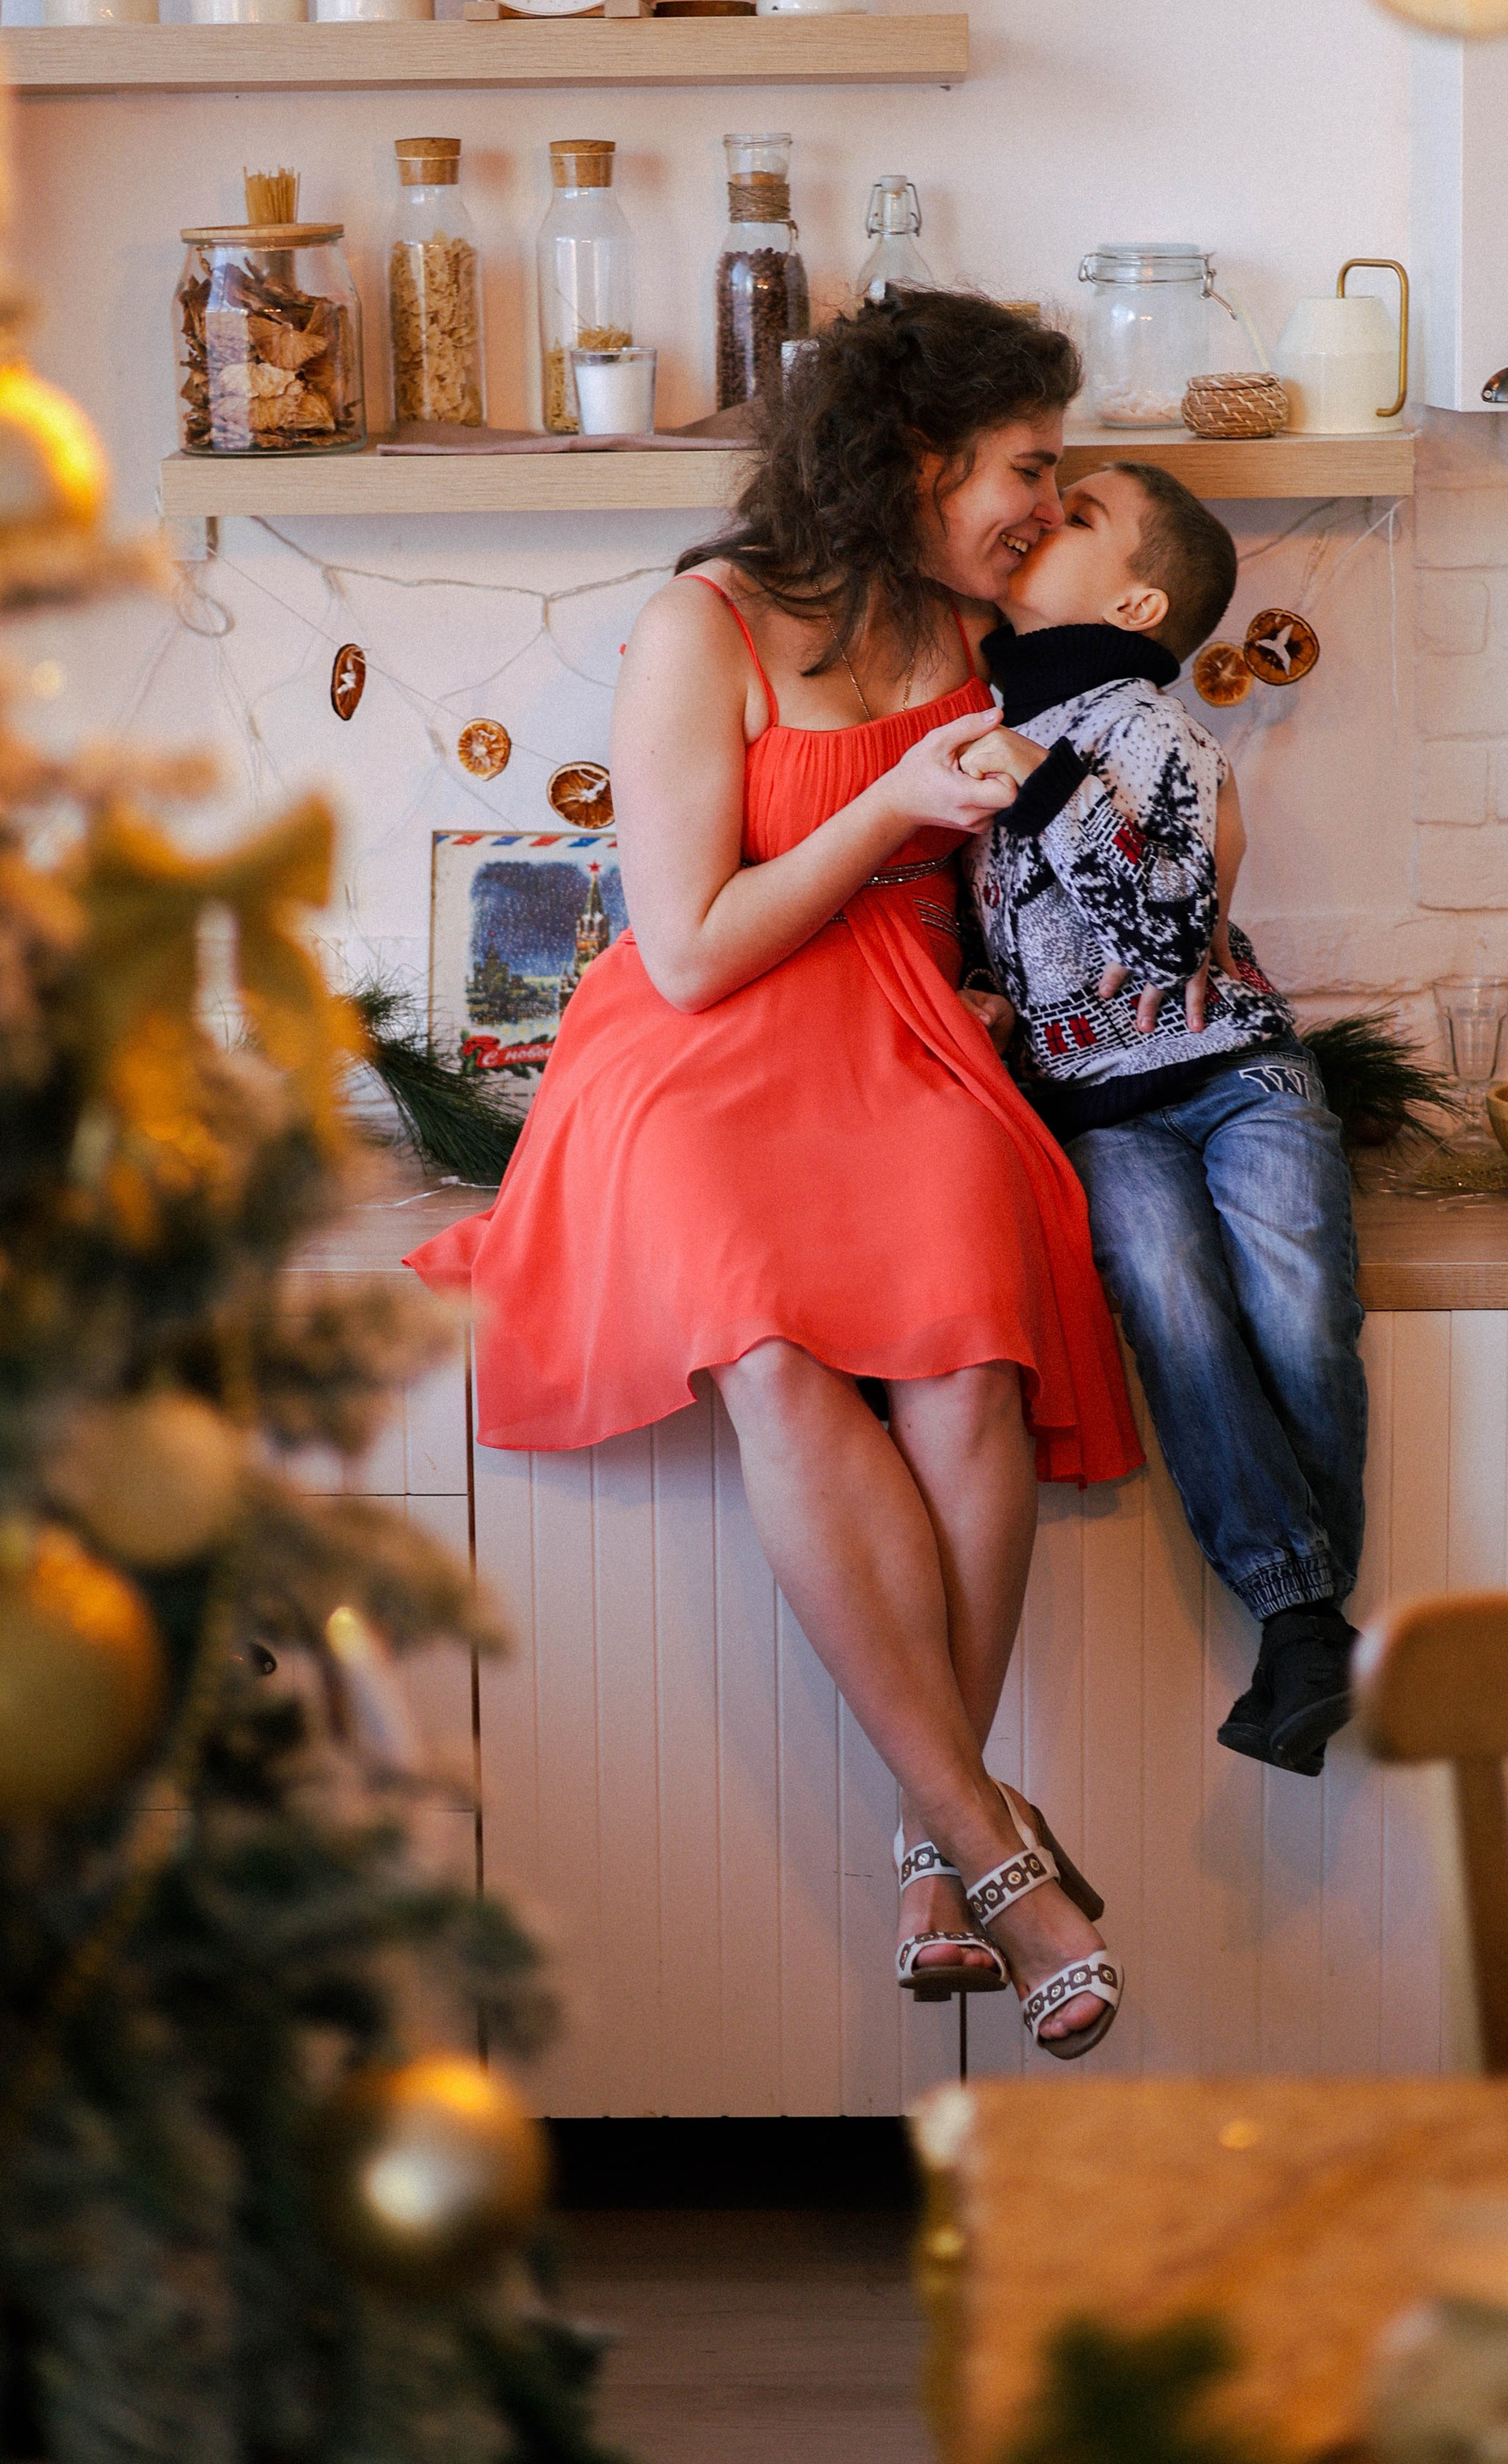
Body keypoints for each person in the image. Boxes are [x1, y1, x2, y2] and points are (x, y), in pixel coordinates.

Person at [407, 294, 1143, 2059]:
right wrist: (893, 805)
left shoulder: (983, 622)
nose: (1042, 501)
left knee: (969, 1354)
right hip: (700, 1046)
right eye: (1023, 467)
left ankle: (924, 1843)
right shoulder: (706, 625)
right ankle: (987, 1839)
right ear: (914, 457)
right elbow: (691, 948)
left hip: (900, 1024)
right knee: (764, 1338)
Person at [959, 460, 1368, 1775]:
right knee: (1170, 1298)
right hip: (1099, 1113)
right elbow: (1013, 923)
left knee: (1301, 1306)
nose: (1042, 515)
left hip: (1237, 1074)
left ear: (1139, 603)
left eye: (1078, 515)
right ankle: (1309, 1624)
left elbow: (1169, 923)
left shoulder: (1152, 730)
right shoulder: (977, 719)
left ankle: (1301, 1617)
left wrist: (1037, 781)